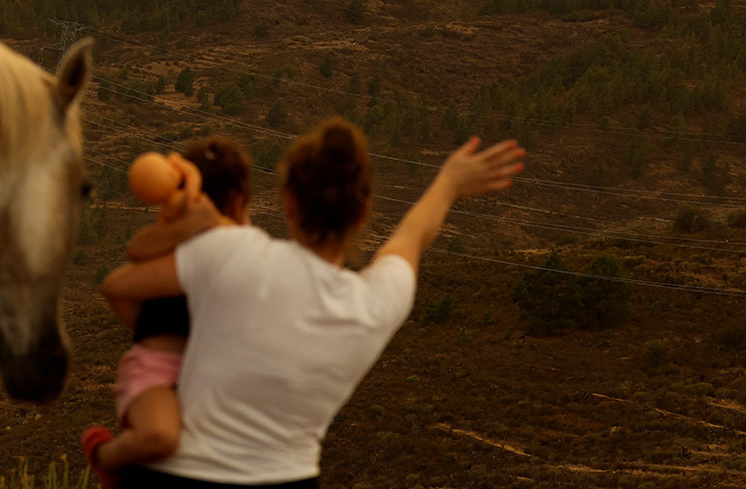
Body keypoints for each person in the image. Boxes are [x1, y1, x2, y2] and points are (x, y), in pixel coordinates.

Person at [98, 119, 524, 488]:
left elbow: (124, 281)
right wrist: (448, 183)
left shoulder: (230, 253)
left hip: (174, 480)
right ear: (362, 215)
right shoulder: (377, 303)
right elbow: (412, 237)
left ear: (288, 203)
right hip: (288, 482)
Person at [81, 137, 252, 489]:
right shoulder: (181, 239)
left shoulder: (234, 243)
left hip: (204, 371)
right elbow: (135, 251)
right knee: (160, 437)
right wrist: (193, 221)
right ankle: (104, 455)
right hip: (157, 368)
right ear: (239, 199)